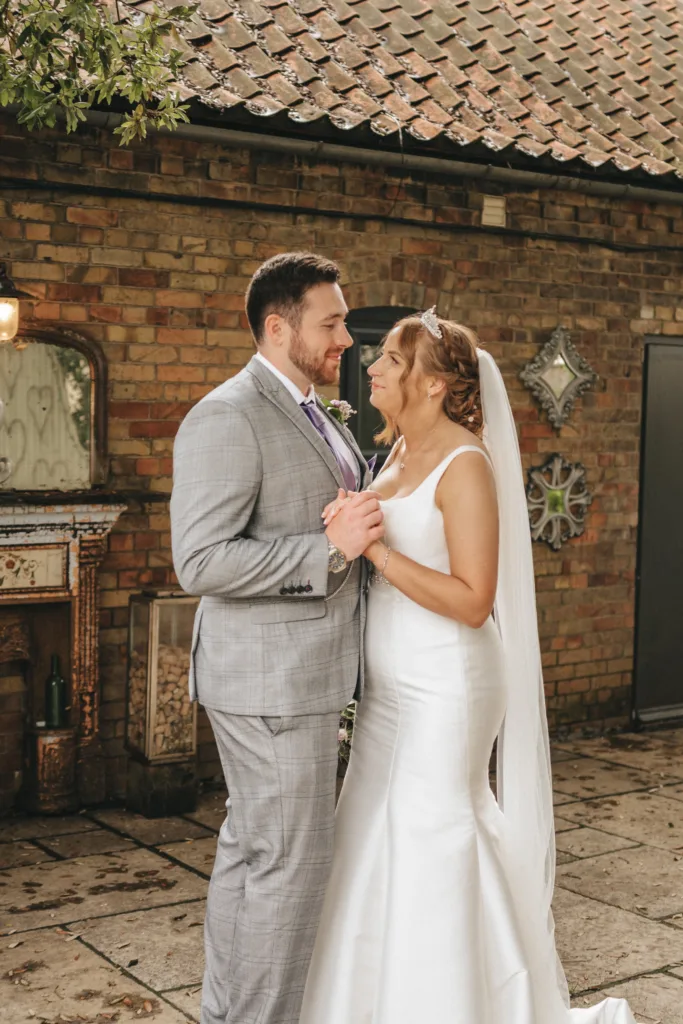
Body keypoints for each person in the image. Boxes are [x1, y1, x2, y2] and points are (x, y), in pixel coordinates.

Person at [300, 310, 636, 1024]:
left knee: (435, 831)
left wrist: (375, 553)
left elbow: (473, 599)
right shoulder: (391, 455)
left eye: (391, 358)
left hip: (447, 685)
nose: (376, 368)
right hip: (388, 689)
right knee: (368, 829)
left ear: (431, 384)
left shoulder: (465, 464)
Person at [170, 251, 384, 1024]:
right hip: (271, 685)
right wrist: (327, 551)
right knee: (288, 866)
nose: (347, 341)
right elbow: (199, 559)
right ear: (276, 325)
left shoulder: (306, 408)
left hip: (295, 677)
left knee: (257, 856)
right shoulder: (229, 415)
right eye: (331, 324)